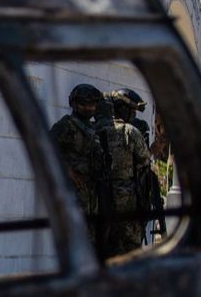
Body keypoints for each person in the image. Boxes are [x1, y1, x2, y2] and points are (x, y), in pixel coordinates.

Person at [50, 83, 113, 255]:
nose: (89, 108)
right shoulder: (67, 125)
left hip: (93, 195)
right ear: (74, 104)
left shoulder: (93, 129)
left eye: (92, 104)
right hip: (75, 194)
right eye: (84, 104)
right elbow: (47, 148)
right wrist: (68, 172)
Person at [107, 87, 156, 254]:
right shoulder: (130, 132)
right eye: (132, 111)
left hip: (101, 199)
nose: (134, 116)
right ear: (123, 109)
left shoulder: (98, 128)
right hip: (127, 200)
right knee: (130, 249)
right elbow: (144, 158)